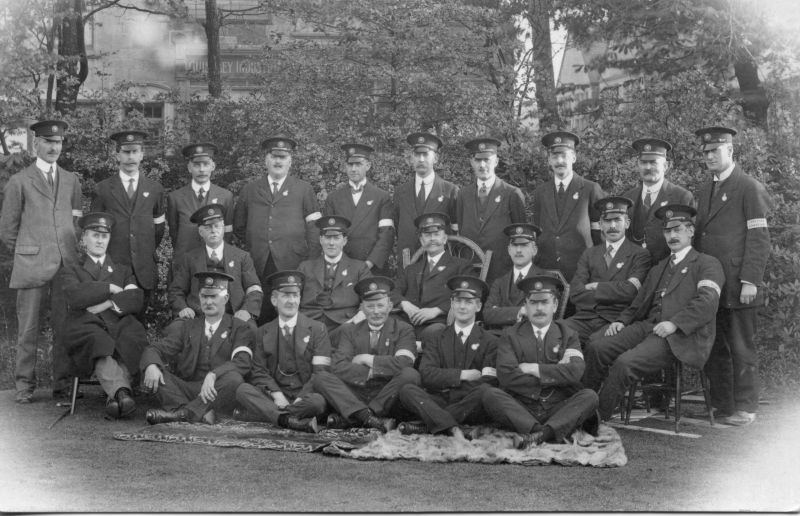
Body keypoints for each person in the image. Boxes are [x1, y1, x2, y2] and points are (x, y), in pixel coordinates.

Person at [582, 205, 725, 421]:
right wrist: (622, 321)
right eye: (668, 231)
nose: (672, 236)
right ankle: (581, 405)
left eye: (678, 230)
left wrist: (675, 324)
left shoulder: (707, 264)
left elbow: (707, 302)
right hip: (649, 327)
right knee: (597, 347)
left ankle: (595, 418)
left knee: (624, 363)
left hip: (678, 336)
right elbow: (639, 302)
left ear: (691, 231)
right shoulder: (660, 267)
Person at [235, 271, 393, 432]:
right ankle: (287, 418)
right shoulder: (263, 331)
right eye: (285, 296)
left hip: (307, 396)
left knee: (318, 403)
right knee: (243, 390)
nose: (291, 301)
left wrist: (300, 398)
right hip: (275, 395)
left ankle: (276, 416)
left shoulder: (317, 329)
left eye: (295, 296)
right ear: (274, 300)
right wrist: (276, 394)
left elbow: (320, 371)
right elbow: (259, 371)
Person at [0, 120, 83, 402]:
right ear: (36, 144)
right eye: (48, 142)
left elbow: (75, 222)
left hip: (65, 264)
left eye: (58, 143)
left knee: (64, 326)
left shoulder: (72, 180)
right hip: (31, 265)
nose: (53, 147)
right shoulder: (19, 181)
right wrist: (30, 250)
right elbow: (7, 230)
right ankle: (24, 387)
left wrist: (64, 249)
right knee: (28, 329)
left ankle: (62, 386)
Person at [694, 126, 771, 426]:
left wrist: (751, 280)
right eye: (706, 152)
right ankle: (723, 405)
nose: (710, 156)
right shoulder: (706, 187)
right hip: (713, 284)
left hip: (740, 284)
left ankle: (747, 407)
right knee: (715, 346)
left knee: (742, 347)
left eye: (715, 150)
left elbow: (759, 238)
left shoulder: (748, 187)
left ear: (730, 151)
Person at [480, 274, 599, 448]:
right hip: (522, 405)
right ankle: (547, 432)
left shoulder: (568, 335)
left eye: (545, 302)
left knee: (590, 396)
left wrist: (533, 368)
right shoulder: (510, 335)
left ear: (555, 305)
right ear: (525, 306)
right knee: (490, 395)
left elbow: (576, 371)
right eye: (534, 303)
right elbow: (506, 375)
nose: (539, 308)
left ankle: (536, 435)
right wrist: (556, 373)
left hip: (557, 406)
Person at [61, 212, 146, 419]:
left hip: (118, 321)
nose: (99, 241)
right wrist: (109, 287)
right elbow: (75, 296)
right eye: (94, 235)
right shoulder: (72, 270)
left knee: (131, 337)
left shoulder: (122, 270)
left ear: (109, 239)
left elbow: (135, 298)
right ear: (84, 239)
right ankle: (122, 393)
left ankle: (116, 396)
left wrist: (107, 303)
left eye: (104, 236)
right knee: (98, 342)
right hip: (85, 325)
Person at [141, 271, 254, 424]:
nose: (208, 302)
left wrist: (213, 374)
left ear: (225, 298)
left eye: (213, 296)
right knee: (153, 369)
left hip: (218, 390)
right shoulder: (188, 326)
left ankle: (182, 413)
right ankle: (197, 411)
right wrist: (152, 365)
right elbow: (155, 349)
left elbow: (243, 362)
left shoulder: (239, 327)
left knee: (234, 379)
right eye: (204, 296)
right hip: (189, 389)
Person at [233, 134, 322, 324]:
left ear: (290, 161)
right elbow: (239, 227)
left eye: (283, 157)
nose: (278, 161)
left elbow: (314, 230)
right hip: (259, 263)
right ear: (266, 160)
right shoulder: (250, 190)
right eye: (274, 157)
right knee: (261, 312)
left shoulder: (303, 189)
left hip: (293, 262)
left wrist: (310, 261)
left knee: (290, 313)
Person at [397, 276, 498, 436]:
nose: (462, 307)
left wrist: (453, 387)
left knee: (486, 391)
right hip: (439, 399)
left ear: (478, 306)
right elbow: (427, 374)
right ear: (451, 304)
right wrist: (462, 375)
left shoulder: (490, 340)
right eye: (458, 301)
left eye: (468, 302)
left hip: (469, 403)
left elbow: (488, 379)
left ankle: (434, 422)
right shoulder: (437, 337)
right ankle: (453, 427)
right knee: (407, 390)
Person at [328, 276, 420, 429]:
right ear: (362, 308)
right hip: (358, 391)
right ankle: (368, 417)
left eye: (380, 305)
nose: (376, 312)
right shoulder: (350, 330)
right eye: (370, 306)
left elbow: (405, 362)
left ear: (390, 306)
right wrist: (369, 373)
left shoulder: (404, 329)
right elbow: (338, 366)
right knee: (323, 377)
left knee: (411, 374)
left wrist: (366, 358)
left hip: (387, 393)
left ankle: (364, 415)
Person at [91, 130, 166, 304]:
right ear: (117, 155)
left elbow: (158, 229)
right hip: (113, 266)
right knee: (112, 317)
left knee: (140, 321)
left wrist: (144, 249)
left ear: (142, 154)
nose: (130, 157)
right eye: (126, 152)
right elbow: (95, 231)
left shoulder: (155, 189)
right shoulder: (102, 189)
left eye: (135, 152)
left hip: (144, 267)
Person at [565, 197, 652, 346]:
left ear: (627, 223)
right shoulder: (589, 254)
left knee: (596, 345)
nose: (612, 226)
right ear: (600, 224)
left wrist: (596, 286)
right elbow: (576, 293)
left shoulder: (639, 254)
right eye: (607, 221)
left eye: (617, 220)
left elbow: (631, 292)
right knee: (555, 332)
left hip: (616, 319)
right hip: (585, 317)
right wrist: (616, 290)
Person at [168, 204, 262, 324]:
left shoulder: (242, 257)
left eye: (217, 226)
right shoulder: (189, 258)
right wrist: (183, 308)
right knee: (175, 330)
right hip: (198, 316)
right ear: (201, 232)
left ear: (223, 228)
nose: (213, 231)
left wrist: (246, 310)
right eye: (208, 228)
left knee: (251, 332)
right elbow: (176, 290)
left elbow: (254, 288)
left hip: (235, 315)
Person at [532, 131, 604, 283]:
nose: (559, 161)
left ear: (574, 158)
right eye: (554, 156)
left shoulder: (590, 189)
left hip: (582, 273)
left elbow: (601, 236)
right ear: (549, 161)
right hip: (548, 273)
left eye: (564, 156)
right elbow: (537, 233)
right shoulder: (540, 193)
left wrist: (597, 269)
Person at [391, 213, 474, 341]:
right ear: (421, 240)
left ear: (445, 239)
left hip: (437, 322)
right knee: (388, 326)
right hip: (408, 322)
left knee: (436, 333)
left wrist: (437, 310)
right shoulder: (411, 269)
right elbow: (393, 291)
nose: (432, 239)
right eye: (427, 235)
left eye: (436, 234)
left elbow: (467, 295)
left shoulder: (461, 266)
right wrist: (405, 304)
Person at [455, 137, 526, 285]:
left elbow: (520, 237)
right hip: (470, 271)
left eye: (487, 159)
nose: (482, 165)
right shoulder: (463, 194)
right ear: (471, 162)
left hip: (501, 271)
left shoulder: (512, 194)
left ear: (496, 161)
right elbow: (462, 229)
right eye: (477, 160)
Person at [324, 143, 394, 275]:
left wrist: (370, 263)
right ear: (345, 167)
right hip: (342, 267)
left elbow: (386, 235)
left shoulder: (382, 197)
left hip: (372, 267)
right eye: (350, 165)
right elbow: (329, 235)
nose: (354, 169)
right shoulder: (333, 198)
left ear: (368, 166)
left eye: (358, 164)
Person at [393, 132, 459, 266]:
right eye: (417, 155)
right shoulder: (400, 192)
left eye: (425, 154)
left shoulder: (450, 191)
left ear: (436, 158)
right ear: (411, 158)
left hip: (439, 265)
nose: (421, 159)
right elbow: (397, 227)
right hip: (408, 262)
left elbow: (455, 232)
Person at [623, 138, 694, 262]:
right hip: (634, 269)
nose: (648, 167)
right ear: (638, 165)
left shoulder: (682, 197)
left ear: (665, 166)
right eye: (643, 162)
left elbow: (691, 241)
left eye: (653, 162)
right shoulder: (628, 198)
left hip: (668, 271)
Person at [297, 215, 372, 332]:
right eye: (327, 238)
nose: (331, 243)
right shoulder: (305, 267)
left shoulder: (359, 268)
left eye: (336, 238)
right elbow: (292, 296)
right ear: (321, 240)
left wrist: (360, 315)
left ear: (344, 241)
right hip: (310, 324)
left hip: (345, 325)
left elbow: (370, 297)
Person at [166, 143, 234, 266]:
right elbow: (174, 233)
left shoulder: (225, 196)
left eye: (206, 164)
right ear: (189, 167)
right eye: (197, 165)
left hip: (214, 263)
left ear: (213, 166)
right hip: (184, 263)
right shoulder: (175, 198)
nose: (201, 169)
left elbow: (227, 233)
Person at [483, 223, 547, 329]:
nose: (518, 250)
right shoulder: (499, 282)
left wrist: (500, 312)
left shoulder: (544, 279)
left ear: (534, 250)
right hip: (499, 338)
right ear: (509, 250)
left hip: (530, 338)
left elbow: (542, 313)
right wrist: (521, 311)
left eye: (524, 245)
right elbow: (487, 314)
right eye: (515, 245)